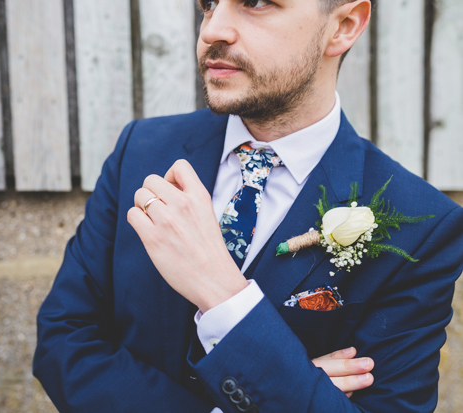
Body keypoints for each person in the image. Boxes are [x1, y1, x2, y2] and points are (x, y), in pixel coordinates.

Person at [34, 0, 463, 411]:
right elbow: (63, 341)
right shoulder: (141, 150)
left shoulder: (422, 225)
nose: (211, 29)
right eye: (209, 2)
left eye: (256, 1)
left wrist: (224, 296)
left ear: (344, 25)